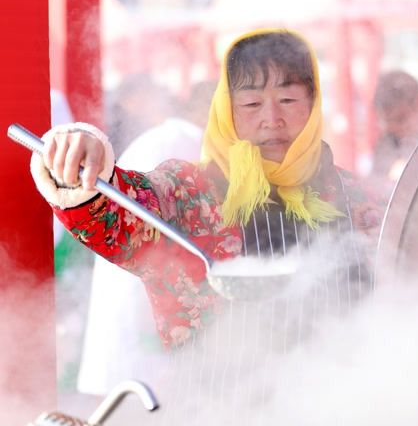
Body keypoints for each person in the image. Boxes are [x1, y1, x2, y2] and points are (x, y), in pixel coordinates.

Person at [30, 29, 382, 348]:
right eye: (252, 104)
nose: (272, 119)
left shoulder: (353, 196)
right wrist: (80, 156)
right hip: (217, 394)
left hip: (339, 389)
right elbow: (115, 215)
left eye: (288, 100)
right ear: (227, 110)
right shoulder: (189, 194)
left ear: (314, 103)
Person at [76, 79, 215, 396]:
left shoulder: (165, 138)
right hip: (146, 317)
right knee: (143, 399)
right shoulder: (183, 145)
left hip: (140, 314)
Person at [370, 70, 418, 200]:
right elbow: (374, 186)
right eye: (387, 122)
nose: (393, 128)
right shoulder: (386, 143)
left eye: (401, 119)